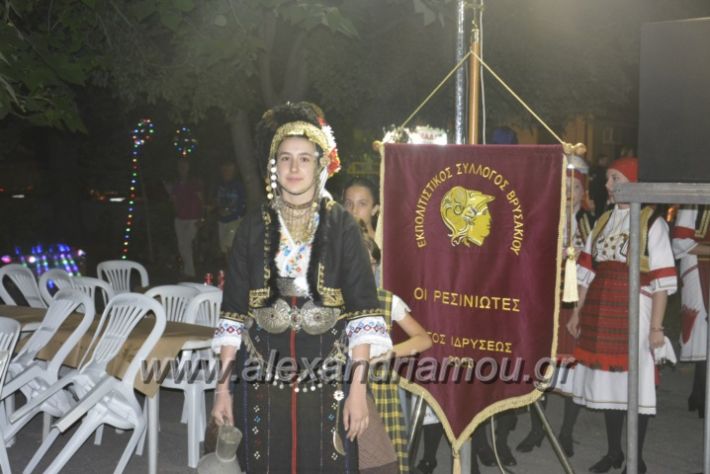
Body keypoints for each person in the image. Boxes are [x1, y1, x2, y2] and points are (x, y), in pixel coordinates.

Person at [210, 103, 394, 473]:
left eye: (304, 159)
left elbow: (362, 315)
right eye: (286, 158)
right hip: (259, 378)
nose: (294, 168)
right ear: (273, 167)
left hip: (328, 378)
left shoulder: (343, 227)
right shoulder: (252, 227)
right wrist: (222, 388)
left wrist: (358, 391)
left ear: (320, 165)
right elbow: (233, 314)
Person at [566, 157, 677, 473]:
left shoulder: (652, 223)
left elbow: (662, 281)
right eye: (608, 178)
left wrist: (656, 328)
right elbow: (587, 272)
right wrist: (577, 312)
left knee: (635, 385)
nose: (607, 185)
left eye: (615, 178)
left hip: (635, 309)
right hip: (602, 310)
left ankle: (635, 459)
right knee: (609, 384)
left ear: (634, 183)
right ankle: (614, 452)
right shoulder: (602, 220)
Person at [516, 155, 594, 457]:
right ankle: (537, 429)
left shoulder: (589, 223)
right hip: (545, 303)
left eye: (576, 187)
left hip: (574, 305)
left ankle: (566, 433)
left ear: (583, 191)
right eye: (565, 186)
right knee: (541, 367)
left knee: (573, 369)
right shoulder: (544, 218)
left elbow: (593, 267)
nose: (570, 192)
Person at [359, 226, 432, 474]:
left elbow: (423, 339)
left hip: (381, 390)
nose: (367, 270)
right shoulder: (333, 302)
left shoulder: (387, 300)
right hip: (345, 387)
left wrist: (388, 354)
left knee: (385, 459)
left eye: (371, 264)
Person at [672, 205, 710, 418]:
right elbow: (681, 241)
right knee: (702, 335)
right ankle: (703, 400)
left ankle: (698, 394)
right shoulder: (694, 201)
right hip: (698, 271)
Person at [169, 159, 204, 278]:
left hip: (193, 217)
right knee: (181, 245)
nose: (182, 169)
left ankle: (190, 271)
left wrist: (201, 218)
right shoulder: (177, 183)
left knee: (188, 243)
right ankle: (187, 269)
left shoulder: (194, 182)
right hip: (180, 218)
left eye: (184, 166)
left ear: (188, 168)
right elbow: (173, 200)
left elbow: (201, 200)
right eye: (180, 166)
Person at [343, 177, 380, 283]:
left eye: (362, 204)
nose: (354, 210)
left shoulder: (387, 249)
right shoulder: (337, 244)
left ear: (374, 209)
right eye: (348, 203)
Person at [214, 160, 246, 257]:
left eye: (229, 170)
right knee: (224, 249)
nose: (226, 173)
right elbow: (216, 201)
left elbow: (243, 203)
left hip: (235, 220)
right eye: (224, 170)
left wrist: (231, 210)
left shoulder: (238, 186)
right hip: (222, 221)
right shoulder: (219, 185)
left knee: (230, 246)